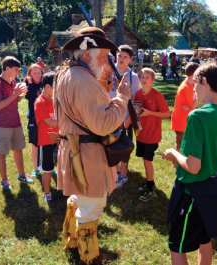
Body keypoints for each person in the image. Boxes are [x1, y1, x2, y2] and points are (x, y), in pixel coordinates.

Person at [56, 27, 131, 264]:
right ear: (88, 54)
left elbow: (88, 107)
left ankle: (72, 241)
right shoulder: (83, 80)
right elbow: (103, 123)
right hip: (87, 152)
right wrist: (122, 98)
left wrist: (104, 83)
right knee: (93, 204)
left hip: (74, 147)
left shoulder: (66, 72)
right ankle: (89, 256)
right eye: (104, 55)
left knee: (80, 198)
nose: (107, 60)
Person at [162, 61, 217, 265]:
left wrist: (174, 155)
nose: (193, 88)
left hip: (193, 193)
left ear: (204, 82)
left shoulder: (196, 116)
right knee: (204, 240)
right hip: (214, 189)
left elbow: (193, 167)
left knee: (177, 245)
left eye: (195, 84)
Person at [0, 56, 32, 190]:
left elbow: (14, 100)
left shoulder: (13, 82)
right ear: (7, 68)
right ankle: (4, 180)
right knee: (2, 152)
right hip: (2, 124)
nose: (17, 73)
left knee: (18, 149)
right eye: (15, 70)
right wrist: (15, 94)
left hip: (15, 122)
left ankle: (21, 175)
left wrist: (20, 94)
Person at [134, 68, 170, 202]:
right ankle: (150, 182)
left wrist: (150, 113)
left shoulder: (157, 95)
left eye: (147, 77)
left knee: (148, 161)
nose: (144, 80)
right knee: (144, 159)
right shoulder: (138, 94)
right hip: (141, 134)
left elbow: (167, 113)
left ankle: (150, 188)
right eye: (142, 77)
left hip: (152, 135)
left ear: (153, 80)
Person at [109, 45, 141, 188]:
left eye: (125, 57)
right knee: (110, 144)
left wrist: (128, 120)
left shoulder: (133, 77)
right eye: (119, 55)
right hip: (109, 116)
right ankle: (114, 172)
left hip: (125, 118)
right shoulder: (107, 72)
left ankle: (123, 174)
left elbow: (137, 101)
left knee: (125, 146)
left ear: (130, 59)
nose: (121, 59)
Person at [34, 72, 59, 202]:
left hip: (59, 139)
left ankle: (63, 188)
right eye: (57, 85)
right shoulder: (40, 103)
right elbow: (50, 122)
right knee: (48, 170)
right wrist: (67, 120)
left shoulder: (57, 100)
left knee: (62, 166)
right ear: (48, 86)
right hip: (46, 142)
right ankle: (47, 193)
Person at [171, 62, 200, 151]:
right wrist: (198, 99)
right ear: (195, 73)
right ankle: (176, 164)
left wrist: (192, 105)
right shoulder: (186, 87)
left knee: (186, 145)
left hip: (186, 120)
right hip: (181, 121)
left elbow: (193, 104)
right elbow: (193, 104)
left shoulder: (192, 84)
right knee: (181, 146)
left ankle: (181, 163)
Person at [24, 64, 45, 178]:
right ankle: (36, 168)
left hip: (46, 118)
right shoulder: (27, 86)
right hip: (34, 119)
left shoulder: (45, 84)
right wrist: (30, 83)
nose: (37, 75)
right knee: (35, 145)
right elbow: (31, 97)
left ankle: (47, 166)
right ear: (30, 75)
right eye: (34, 73)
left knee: (47, 144)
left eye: (39, 72)